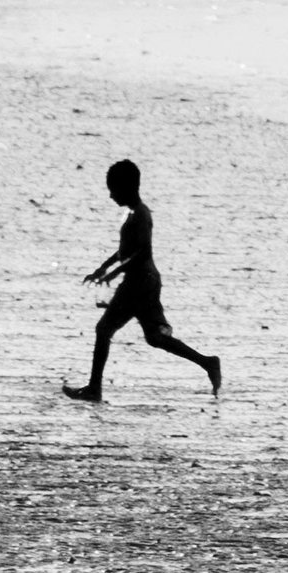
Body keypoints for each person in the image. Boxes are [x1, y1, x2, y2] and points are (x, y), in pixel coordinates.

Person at [64, 159, 221, 403]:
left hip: (139, 283)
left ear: (128, 187)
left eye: (113, 189)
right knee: (155, 338)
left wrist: (114, 274)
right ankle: (207, 362)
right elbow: (125, 251)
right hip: (146, 281)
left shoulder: (141, 215)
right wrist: (102, 268)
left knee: (103, 329)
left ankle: (94, 389)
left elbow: (142, 253)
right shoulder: (133, 215)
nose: (111, 195)